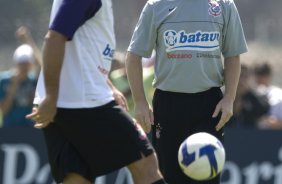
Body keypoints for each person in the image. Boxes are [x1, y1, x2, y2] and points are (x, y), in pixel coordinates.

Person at [26, 1, 167, 184]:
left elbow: (81, 49)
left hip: (66, 101)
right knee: (146, 163)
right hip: (85, 100)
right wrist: (52, 96)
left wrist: (106, 84)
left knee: (76, 178)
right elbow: (54, 38)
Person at [125, 0, 248, 183]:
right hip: (168, 105)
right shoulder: (155, 6)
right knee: (169, 177)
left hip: (210, 106)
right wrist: (141, 102)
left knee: (207, 178)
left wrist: (229, 97)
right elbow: (133, 56)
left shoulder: (225, 5)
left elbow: (232, 55)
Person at [0, 43, 37, 127]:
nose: (24, 67)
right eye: (22, 63)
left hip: (29, 127)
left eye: (27, 64)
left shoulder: (33, 81)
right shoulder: (4, 80)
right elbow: (3, 110)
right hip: (10, 127)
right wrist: (14, 85)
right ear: (16, 63)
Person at [254, 62, 282, 129]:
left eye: (263, 74)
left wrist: (262, 121)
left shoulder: (277, 94)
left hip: (273, 134)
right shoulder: (250, 93)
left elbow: (278, 122)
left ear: (269, 76)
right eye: (258, 74)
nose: (260, 78)